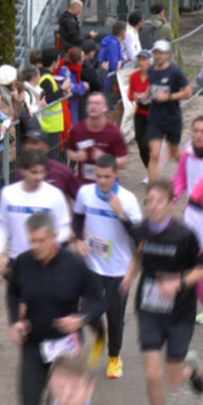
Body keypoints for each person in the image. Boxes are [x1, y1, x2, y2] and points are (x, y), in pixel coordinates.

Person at [124, 180, 203, 405]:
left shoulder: (185, 235)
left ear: (171, 203)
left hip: (180, 312)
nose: (154, 206)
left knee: (173, 378)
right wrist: (129, 275)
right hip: (149, 309)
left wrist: (180, 282)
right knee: (151, 373)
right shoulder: (142, 231)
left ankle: (191, 367)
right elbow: (139, 256)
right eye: (150, 201)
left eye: (160, 201)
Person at [7, 211, 104, 405]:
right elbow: (13, 292)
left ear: (55, 236)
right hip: (34, 344)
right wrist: (15, 321)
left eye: (41, 240)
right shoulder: (23, 263)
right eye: (32, 241)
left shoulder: (75, 265)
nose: (35, 246)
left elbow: (100, 300)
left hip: (66, 347)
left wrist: (82, 318)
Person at [72, 154, 143, 378]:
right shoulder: (85, 193)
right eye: (98, 176)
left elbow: (141, 239)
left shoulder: (128, 200)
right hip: (92, 265)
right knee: (87, 311)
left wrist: (122, 215)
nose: (101, 181)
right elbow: (78, 216)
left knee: (115, 317)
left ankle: (114, 357)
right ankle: (100, 336)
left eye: (107, 177)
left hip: (118, 269)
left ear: (116, 175)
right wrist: (77, 240)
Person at [0, 150, 72, 276]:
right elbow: (3, 226)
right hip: (17, 261)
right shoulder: (8, 194)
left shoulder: (55, 195)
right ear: (23, 170)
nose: (39, 177)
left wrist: (50, 244)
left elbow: (65, 229)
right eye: (34, 172)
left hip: (46, 262)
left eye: (42, 172)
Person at [173, 116, 203, 323]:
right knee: (196, 259)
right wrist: (172, 196)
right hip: (193, 213)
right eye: (196, 131)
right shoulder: (187, 152)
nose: (199, 135)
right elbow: (180, 178)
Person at [146, 40, 193, 183]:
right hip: (155, 118)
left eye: (161, 53)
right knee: (154, 155)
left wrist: (169, 97)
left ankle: (192, 168)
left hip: (173, 118)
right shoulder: (151, 70)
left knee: (173, 154)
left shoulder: (175, 72)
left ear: (168, 55)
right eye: (156, 52)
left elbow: (188, 92)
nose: (158, 56)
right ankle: (153, 189)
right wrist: (144, 96)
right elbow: (150, 88)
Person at [68, 92, 129, 184]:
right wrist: (77, 156)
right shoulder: (77, 129)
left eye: (97, 103)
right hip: (84, 184)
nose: (93, 106)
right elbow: (70, 152)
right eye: (91, 103)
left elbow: (124, 162)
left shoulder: (114, 132)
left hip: (108, 186)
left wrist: (105, 158)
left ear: (105, 108)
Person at [129, 50, 153, 167]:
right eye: (139, 60)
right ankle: (149, 169)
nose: (141, 62)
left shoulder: (154, 76)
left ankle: (156, 154)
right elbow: (129, 95)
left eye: (144, 60)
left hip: (153, 113)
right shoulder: (134, 76)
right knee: (140, 143)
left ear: (149, 62)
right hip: (139, 113)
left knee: (147, 143)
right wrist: (134, 97)